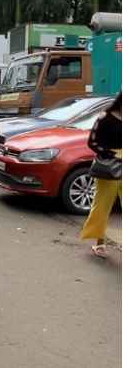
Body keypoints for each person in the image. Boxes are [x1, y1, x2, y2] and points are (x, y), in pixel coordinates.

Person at [81, 93, 121, 258]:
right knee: (102, 206)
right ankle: (99, 243)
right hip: (110, 166)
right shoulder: (105, 117)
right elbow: (92, 142)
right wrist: (109, 153)